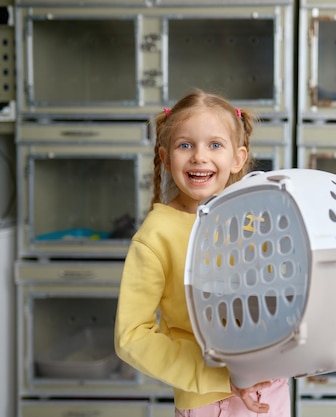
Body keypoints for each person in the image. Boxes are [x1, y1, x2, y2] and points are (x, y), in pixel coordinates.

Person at [114, 89, 291, 417]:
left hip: (269, 390)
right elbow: (131, 336)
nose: (199, 156)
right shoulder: (157, 235)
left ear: (237, 158)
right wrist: (221, 376)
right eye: (185, 145)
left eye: (215, 145)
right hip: (210, 400)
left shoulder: (260, 221)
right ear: (166, 157)